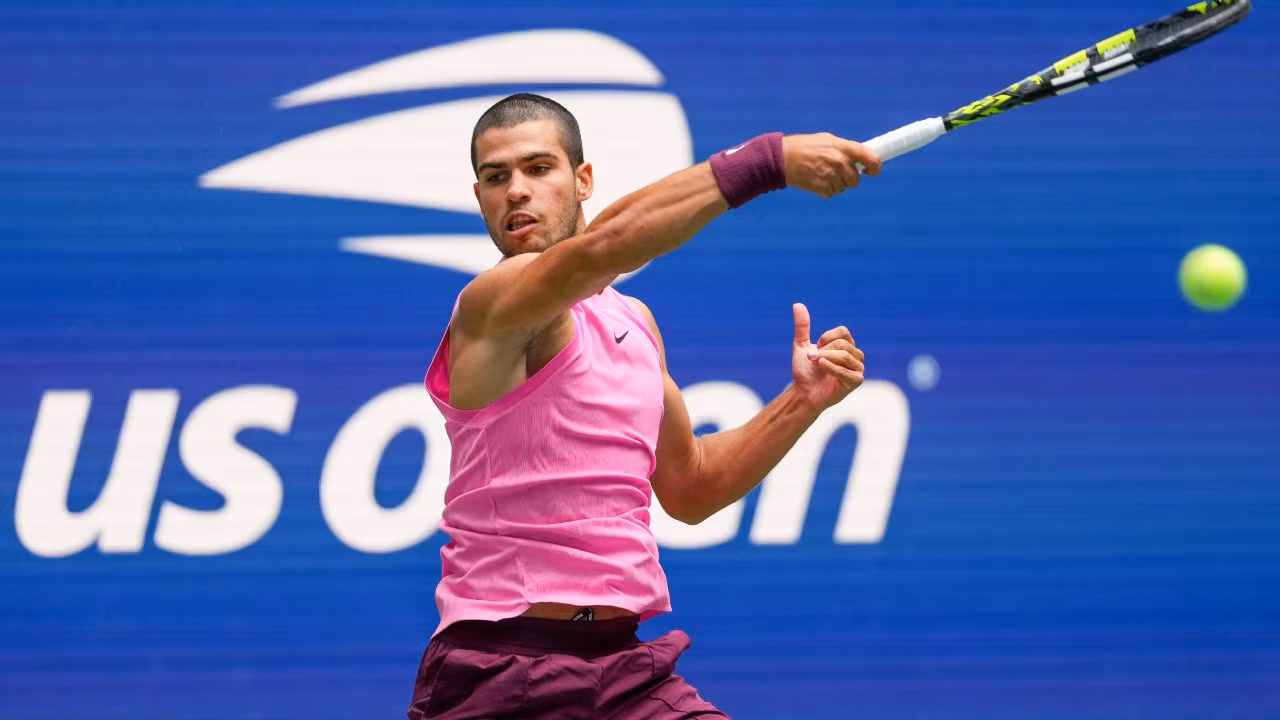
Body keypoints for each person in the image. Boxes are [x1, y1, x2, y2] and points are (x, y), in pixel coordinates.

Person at [408, 93, 880, 719]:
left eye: (538, 168)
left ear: (583, 180)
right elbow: (605, 247)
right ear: (479, 197)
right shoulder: (491, 304)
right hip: (503, 670)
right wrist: (768, 161)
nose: (516, 190)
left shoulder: (633, 321)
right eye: (496, 178)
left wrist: (802, 402)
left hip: (623, 670)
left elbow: (692, 486)